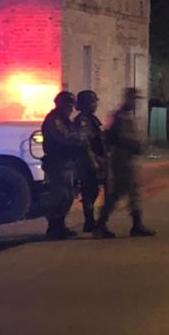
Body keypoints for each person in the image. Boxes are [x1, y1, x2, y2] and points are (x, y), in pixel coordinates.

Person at [94, 88, 155, 238]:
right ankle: (102, 224)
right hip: (122, 159)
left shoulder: (126, 115)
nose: (135, 103)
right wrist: (136, 145)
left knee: (130, 192)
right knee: (121, 192)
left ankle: (135, 225)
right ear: (127, 99)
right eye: (134, 99)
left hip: (128, 159)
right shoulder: (120, 116)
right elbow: (119, 138)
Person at [40, 91, 85, 240]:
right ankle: (54, 228)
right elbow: (64, 136)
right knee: (60, 195)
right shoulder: (55, 120)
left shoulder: (63, 119)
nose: (71, 109)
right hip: (57, 162)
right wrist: (81, 136)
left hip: (65, 162)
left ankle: (60, 226)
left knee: (67, 196)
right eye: (69, 105)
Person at [74, 90, 105, 233]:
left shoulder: (91, 119)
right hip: (87, 162)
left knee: (93, 191)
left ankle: (91, 221)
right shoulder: (83, 121)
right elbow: (85, 144)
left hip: (94, 160)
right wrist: (94, 162)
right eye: (92, 102)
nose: (95, 105)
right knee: (89, 191)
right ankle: (89, 222)